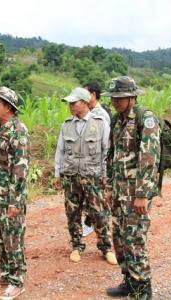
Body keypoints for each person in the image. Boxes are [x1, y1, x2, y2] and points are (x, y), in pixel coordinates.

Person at [103, 76, 160, 300]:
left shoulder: (145, 118)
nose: (116, 102)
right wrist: (108, 187)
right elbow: (112, 155)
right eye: (114, 98)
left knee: (135, 241)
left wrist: (142, 195)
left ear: (132, 97)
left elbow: (149, 158)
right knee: (119, 239)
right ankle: (129, 281)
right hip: (118, 193)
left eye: (120, 97)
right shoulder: (117, 120)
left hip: (136, 195)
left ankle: (142, 289)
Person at [54, 87, 117, 265]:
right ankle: (76, 245)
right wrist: (57, 173)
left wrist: (106, 175)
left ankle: (106, 247)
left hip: (93, 176)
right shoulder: (66, 125)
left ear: (84, 103)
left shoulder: (100, 123)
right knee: (72, 213)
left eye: (74, 103)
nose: (71, 106)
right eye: (70, 103)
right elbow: (60, 151)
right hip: (71, 176)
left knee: (99, 213)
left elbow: (106, 151)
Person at [0, 86, 30, 300]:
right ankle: (4, 271)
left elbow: (20, 170)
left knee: (13, 239)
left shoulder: (18, 130)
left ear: (8, 107)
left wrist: (15, 202)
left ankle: (17, 280)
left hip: (10, 197)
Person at [81, 81, 112, 237]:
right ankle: (92, 222)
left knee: (97, 196)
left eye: (85, 93)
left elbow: (104, 143)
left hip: (98, 162)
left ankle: (94, 226)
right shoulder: (91, 112)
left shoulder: (99, 115)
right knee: (92, 195)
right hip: (89, 162)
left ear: (93, 94)